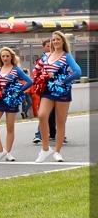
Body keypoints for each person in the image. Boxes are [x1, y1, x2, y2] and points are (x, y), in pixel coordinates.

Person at [35, 31, 81, 163]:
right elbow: (37, 70)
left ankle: (58, 152)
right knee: (42, 115)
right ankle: (45, 149)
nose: (55, 42)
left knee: (60, 122)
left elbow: (78, 71)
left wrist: (62, 81)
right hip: (48, 90)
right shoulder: (46, 56)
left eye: (58, 39)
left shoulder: (67, 56)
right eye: (53, 40)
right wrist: (40, 76)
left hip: (62, 91)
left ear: (63, 42)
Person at [0, 47, 31, 162]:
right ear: (0, 58)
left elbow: (30, 81)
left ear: (11, 57)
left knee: (10, 128)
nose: (5, 58)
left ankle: (8, 152)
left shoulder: (16, 70)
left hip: (11, 100)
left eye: (7, 56)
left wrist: (18, 91)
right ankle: (1, 151)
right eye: (3, 56)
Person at [31, 39, 60, 145]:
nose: (50, 48)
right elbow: (35, 72)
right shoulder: (41, 59)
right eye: (48, 46)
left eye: (51, 46)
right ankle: (39, 135)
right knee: (44, 113)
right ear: (43, 47)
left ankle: (54, 133)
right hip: (44, 89)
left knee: (53, 113)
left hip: (56, 88)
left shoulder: (60, 57)